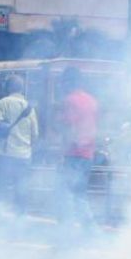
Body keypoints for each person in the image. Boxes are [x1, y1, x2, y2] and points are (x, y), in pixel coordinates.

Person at [0, 75, 38, 212]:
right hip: (23, 155)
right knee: (21, 190)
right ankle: (19, 221)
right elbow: (35, 134)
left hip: (3, 153)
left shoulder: (2, 103)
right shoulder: (29, 107)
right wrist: (29, 149)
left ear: (8, 87)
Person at [58, 67, 98, 226]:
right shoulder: (92, 100)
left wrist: (62, 153)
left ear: (68, 82)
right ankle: (88, 233)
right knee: (80, 195)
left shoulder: (70, 100)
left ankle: (75, 233)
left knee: (66, 194)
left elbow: (70, 127)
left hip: (74, 153)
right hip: (88, 153)